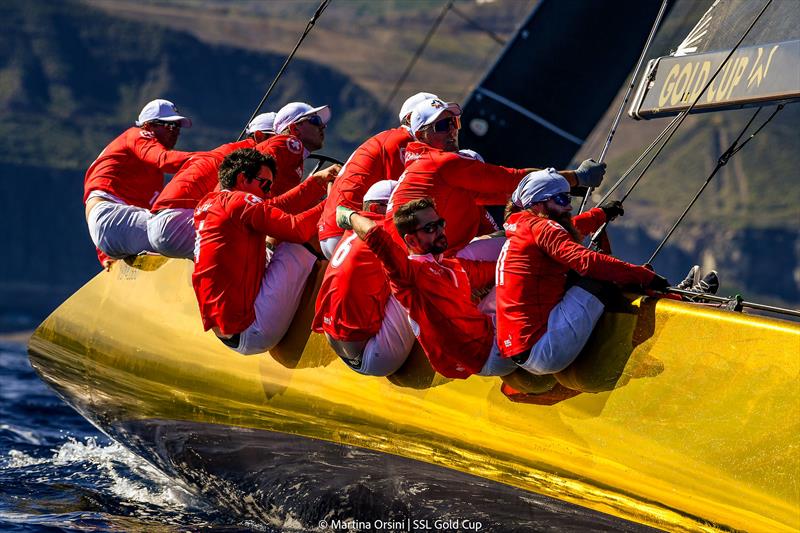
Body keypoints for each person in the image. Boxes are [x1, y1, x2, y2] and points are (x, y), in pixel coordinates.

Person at [495, 169, 670, 375]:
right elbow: (587, 262)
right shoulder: (543, 228)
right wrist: (646, 276)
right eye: (561, 199)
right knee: (600, 279)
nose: (568, 205)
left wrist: (600, 215)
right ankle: (632, 352)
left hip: (519, 352)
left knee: (587, 275)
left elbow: (565, 234)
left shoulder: (523, 225)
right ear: (538, 203)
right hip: (543, 350)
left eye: (568, 197)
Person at [387, 97, 607, 260]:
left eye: (454, 122)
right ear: (423, 134)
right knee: (528, 246)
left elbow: (490, 195)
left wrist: (555, 189)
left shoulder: (422, 163)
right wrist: (578, 177)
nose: (453, 130)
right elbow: (511, 179)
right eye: (443, 126)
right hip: (433, 262)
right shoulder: (442, 163)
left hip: (416, 260)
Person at [336, 198, 517, 379]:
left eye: (440, 224)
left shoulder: (451, 266)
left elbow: (491, 270)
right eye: (430, 228)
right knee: (523, 272)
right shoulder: (408, 274)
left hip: (482, 349)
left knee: (512, 268)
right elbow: (376, 236)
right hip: (493, 352)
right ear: (411, 240)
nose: (440, 231)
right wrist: (349, 215)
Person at [192, 148, 336, 355]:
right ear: (242, 179)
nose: (268, 191)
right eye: (265, 184)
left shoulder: (209, 202)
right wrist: (333, 202)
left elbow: (273, 206)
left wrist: (316, 182)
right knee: (300, 242)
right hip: (252, 330)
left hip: (227, 330)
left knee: (274, 234)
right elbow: (297, 229)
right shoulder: (239, 202)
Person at [313, 180, 416, 376]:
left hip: (337, 343)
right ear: (378, 207)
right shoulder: (385, 230)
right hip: (377, 356)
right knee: (419, 270)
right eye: (402, 206)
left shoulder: (351, 228)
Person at [318, 92, 438, 258]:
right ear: (412, 118)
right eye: (434, 119)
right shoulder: (403, 142)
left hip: (333, 227)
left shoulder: (388, 137)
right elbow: (400, 200)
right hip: (350, 230)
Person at [147, 112, 278, 258]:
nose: (282, 145)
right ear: (259, 136)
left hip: (160, 223)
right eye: (278, 139)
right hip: (175, 223)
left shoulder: (229, 151)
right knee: (252, 236)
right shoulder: (251, 158)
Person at [83, 98, 195, 267]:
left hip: (111, 229)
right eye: (169, 126)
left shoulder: (154, 176)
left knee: (176, 232)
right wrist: (214, 158)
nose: (175, 132)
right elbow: (165, 159)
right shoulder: (136, 135)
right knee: (203, 231)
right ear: (149, 126)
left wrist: (105, 256)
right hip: (109, 216)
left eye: (178, 127)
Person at [256, 102, 331, 203]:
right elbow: (255, 174)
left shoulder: (293, 156)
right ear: (295, 129)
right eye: (315, 120)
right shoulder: (289, 143)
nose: (322, 126)